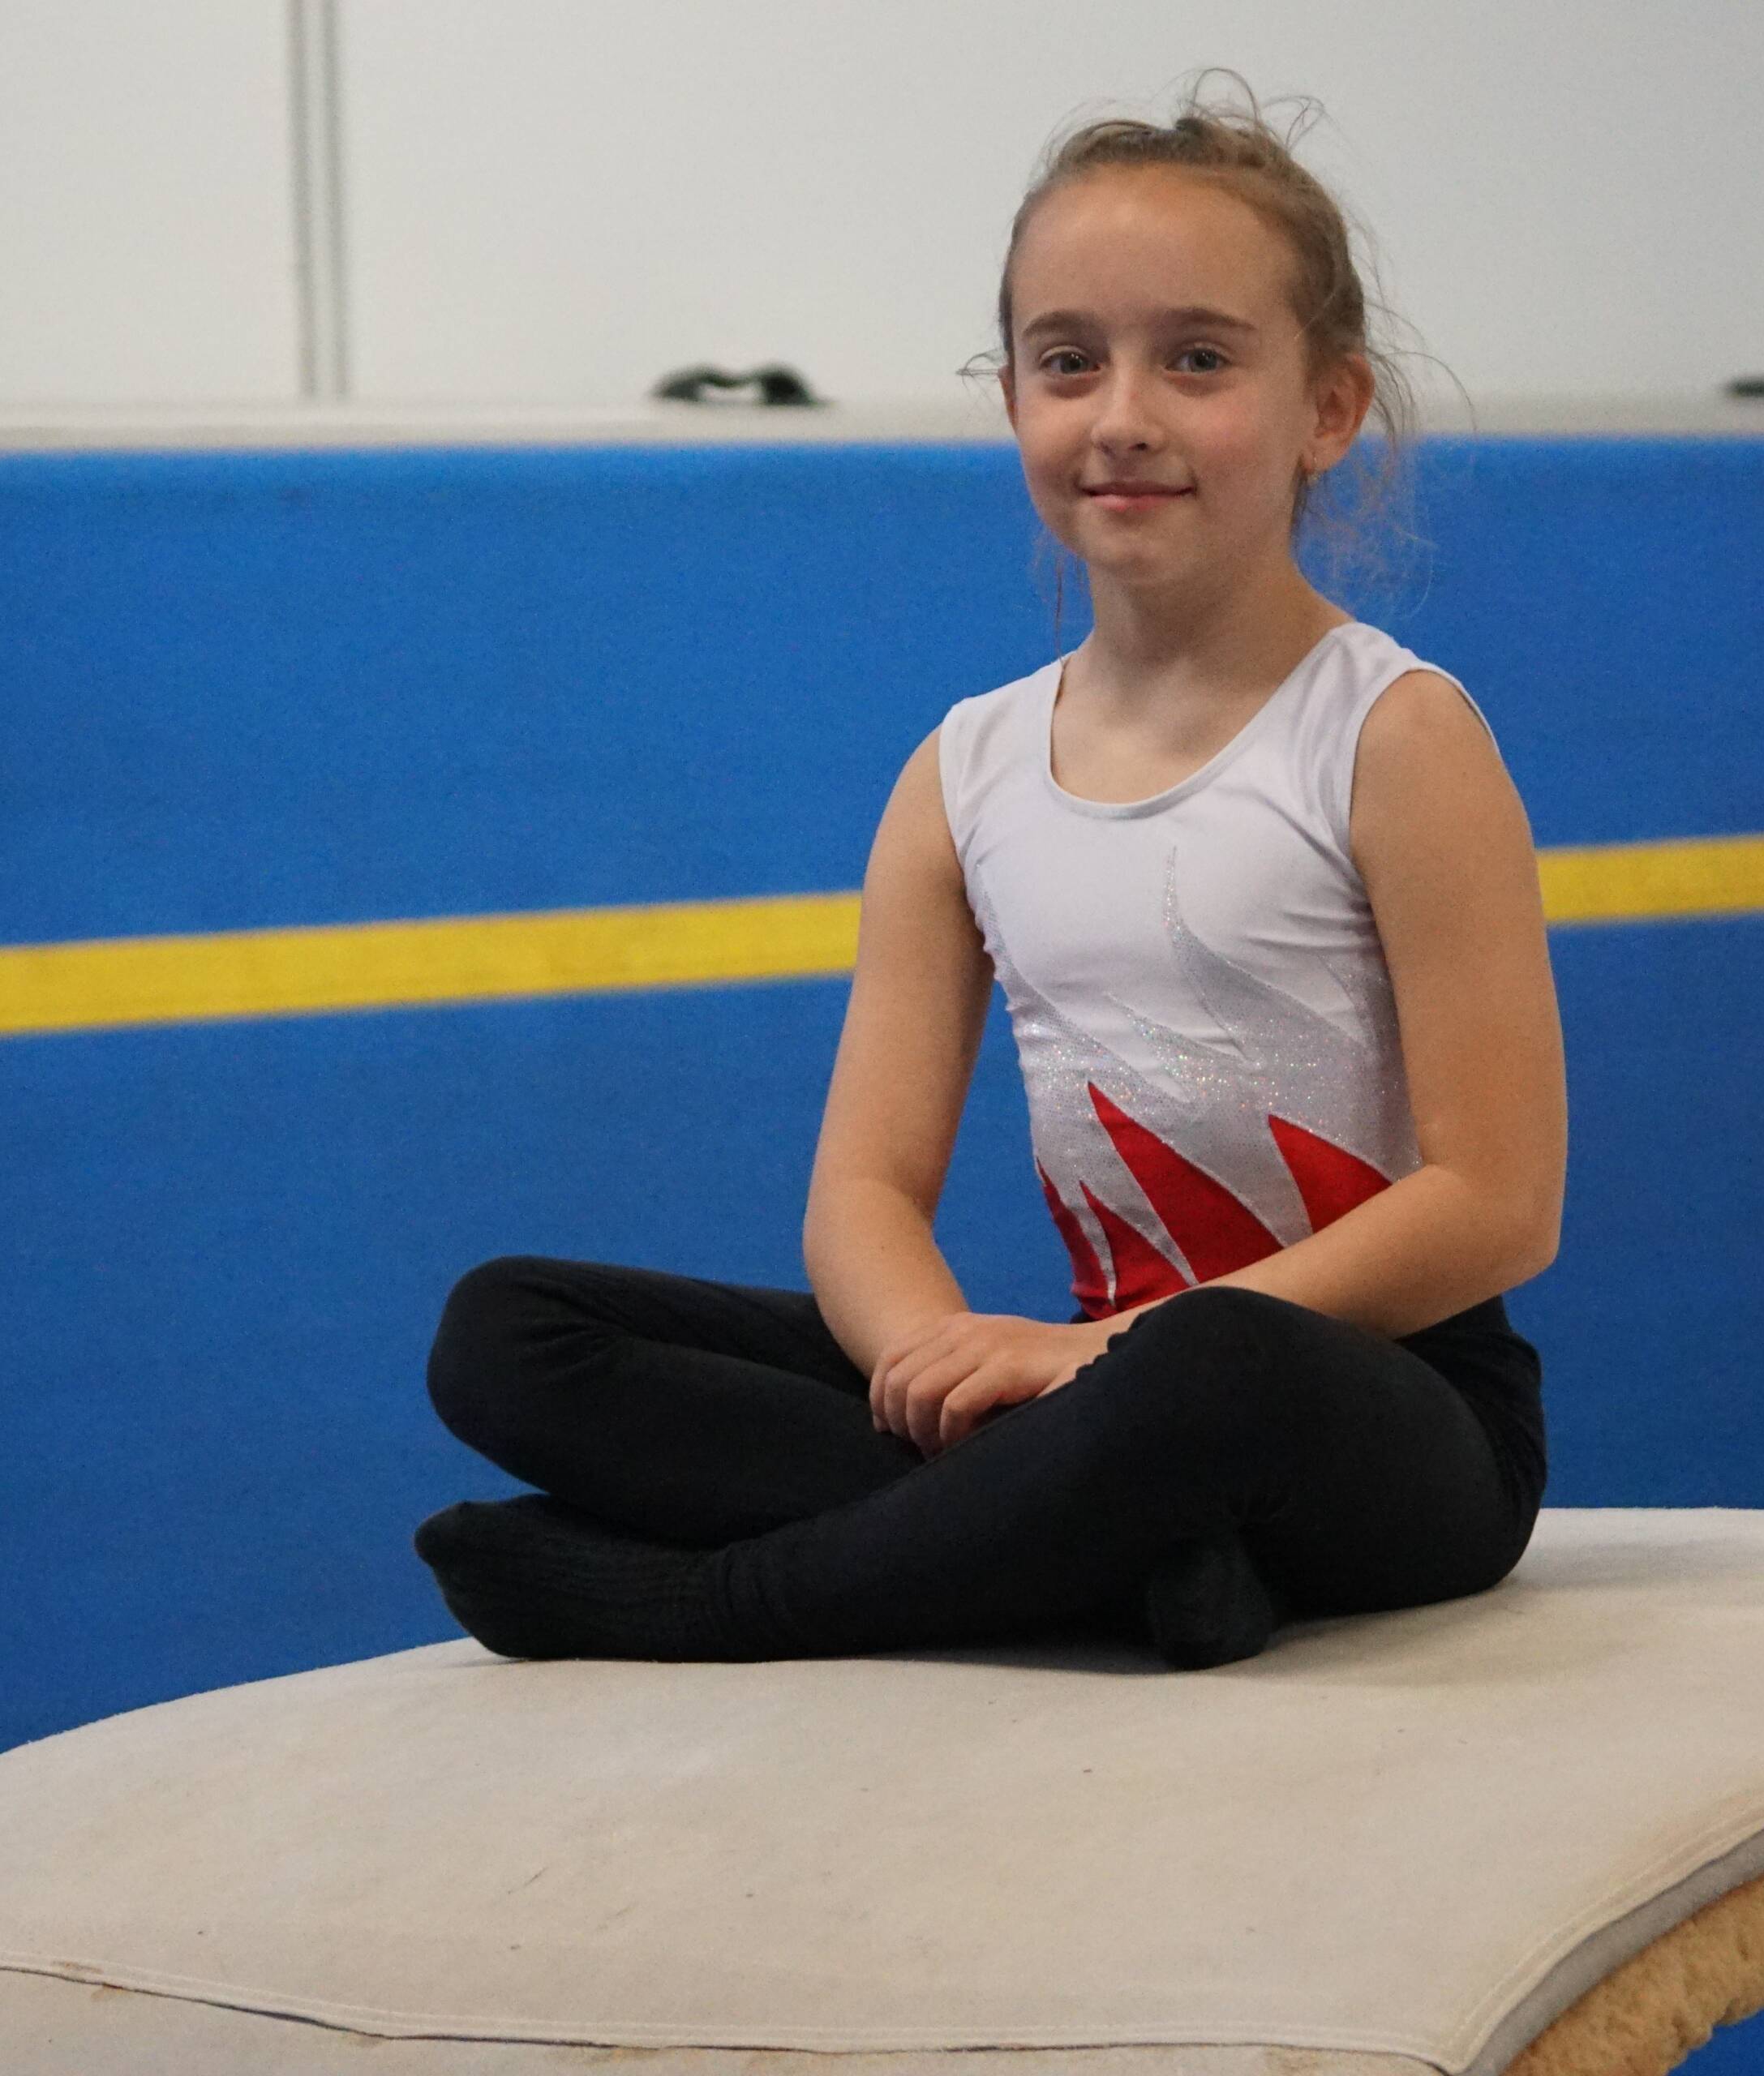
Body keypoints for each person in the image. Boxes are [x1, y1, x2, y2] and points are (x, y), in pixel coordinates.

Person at [412, 70, 1568, 1672]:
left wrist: (1101, 1360)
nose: (1122, 414)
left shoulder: (1390, 734)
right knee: (513, 1331)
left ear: (1327, 407)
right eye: (1068, 360)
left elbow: (1498, 1204)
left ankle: (730, 1599)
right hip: (1097, 1401)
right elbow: (863, 1193)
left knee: (1212, 1365)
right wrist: (935, 1362)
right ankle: (1124, 1558)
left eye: (1197, 359)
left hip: (1374, 1409)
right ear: (1013, 393)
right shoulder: (962, 774)